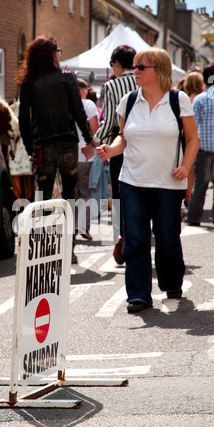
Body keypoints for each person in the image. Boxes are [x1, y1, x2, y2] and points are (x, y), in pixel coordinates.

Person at [96, 48, 199, 313]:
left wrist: (186, 166)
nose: (135, 71)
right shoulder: (129, 101)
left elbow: (191, 139)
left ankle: (171, 282)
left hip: (168, 183)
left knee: (166, 236)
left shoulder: (179, 100)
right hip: (132, 181)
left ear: (159, 71)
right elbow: (123, 136)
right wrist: (111, 149)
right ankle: (138, 295)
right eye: (134, 67)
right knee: (135, 239)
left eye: (141, 67)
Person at [16, 36, 96, 263]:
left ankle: (43, 249)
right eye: (57, 51)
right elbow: (79, 113)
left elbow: (23, 119)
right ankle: (68, 250)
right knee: (69, 197)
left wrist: (30, 147)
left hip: (43, 147)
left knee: (43, 197)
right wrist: (89, 140)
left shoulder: (29, 83)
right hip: (68, 146)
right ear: (52, 55)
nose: (59, 55)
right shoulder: (67, 79)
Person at [91, 45, 137, 265]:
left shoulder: (111, 85)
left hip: (119, 144)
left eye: (112, 64)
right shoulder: (143, 79)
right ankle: (138, 236)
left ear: (117, 63)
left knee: (120, 193)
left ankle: (121, 238)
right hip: (143, 145)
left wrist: (96, 141)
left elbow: (109, 119)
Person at [187, 63, 214, 227]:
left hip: (203, 148)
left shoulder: (200, 99)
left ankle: (194, 217)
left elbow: (193, 126)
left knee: (201, 183)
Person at [75, 78, 99, 240]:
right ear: (81, 90)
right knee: (84, 192)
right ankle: (83, 226)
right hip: (85, 155)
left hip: (67, 155)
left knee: (70, 192)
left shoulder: (63, 103)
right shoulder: (88, 105)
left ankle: (71, 229)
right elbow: (95, 129)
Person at [183, 71, 205, 206]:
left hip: (187, 138)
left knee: (189, 169)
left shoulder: (184, 98)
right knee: (199, 172)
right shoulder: (203, 98)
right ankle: (194, 197)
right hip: (201, 139)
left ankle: (188, 195)